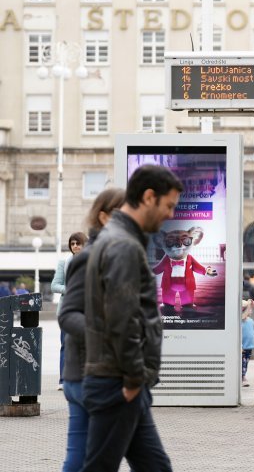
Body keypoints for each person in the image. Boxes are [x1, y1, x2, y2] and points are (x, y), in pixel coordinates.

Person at [82, 165, 182, 471]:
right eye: (169, 206)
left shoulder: (119, 239)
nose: (169, 215)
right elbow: (122, 318)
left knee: (156, 467)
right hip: (118, 382)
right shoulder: (123, 245)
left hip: (121, 380)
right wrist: (134, 379)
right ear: (149, 197)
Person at [56, 187, 126, 472]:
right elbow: (68, 314)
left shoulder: (119, 253)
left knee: (82, 454)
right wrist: (104, 334)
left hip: (98, 373)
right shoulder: (89, 258)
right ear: (104, 217)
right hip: (89, 374)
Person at [52, 231, 87, 391]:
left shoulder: (92, 261)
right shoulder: (63, 262)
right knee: (66, 345)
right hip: (68, 310)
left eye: (78, 243)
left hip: (88, 310)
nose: (75, 246)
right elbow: (54, 285)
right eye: (72, 244)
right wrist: (71, 289)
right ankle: (63, 380)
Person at [241, 299, 254, 387]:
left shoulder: (251, 321)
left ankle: (243, 375)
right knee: (243, 363)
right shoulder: (239, 321)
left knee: (246, 363)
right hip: (242, 347)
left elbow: (253, 333)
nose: (250, 310)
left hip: (249, 347)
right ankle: (243, 377)